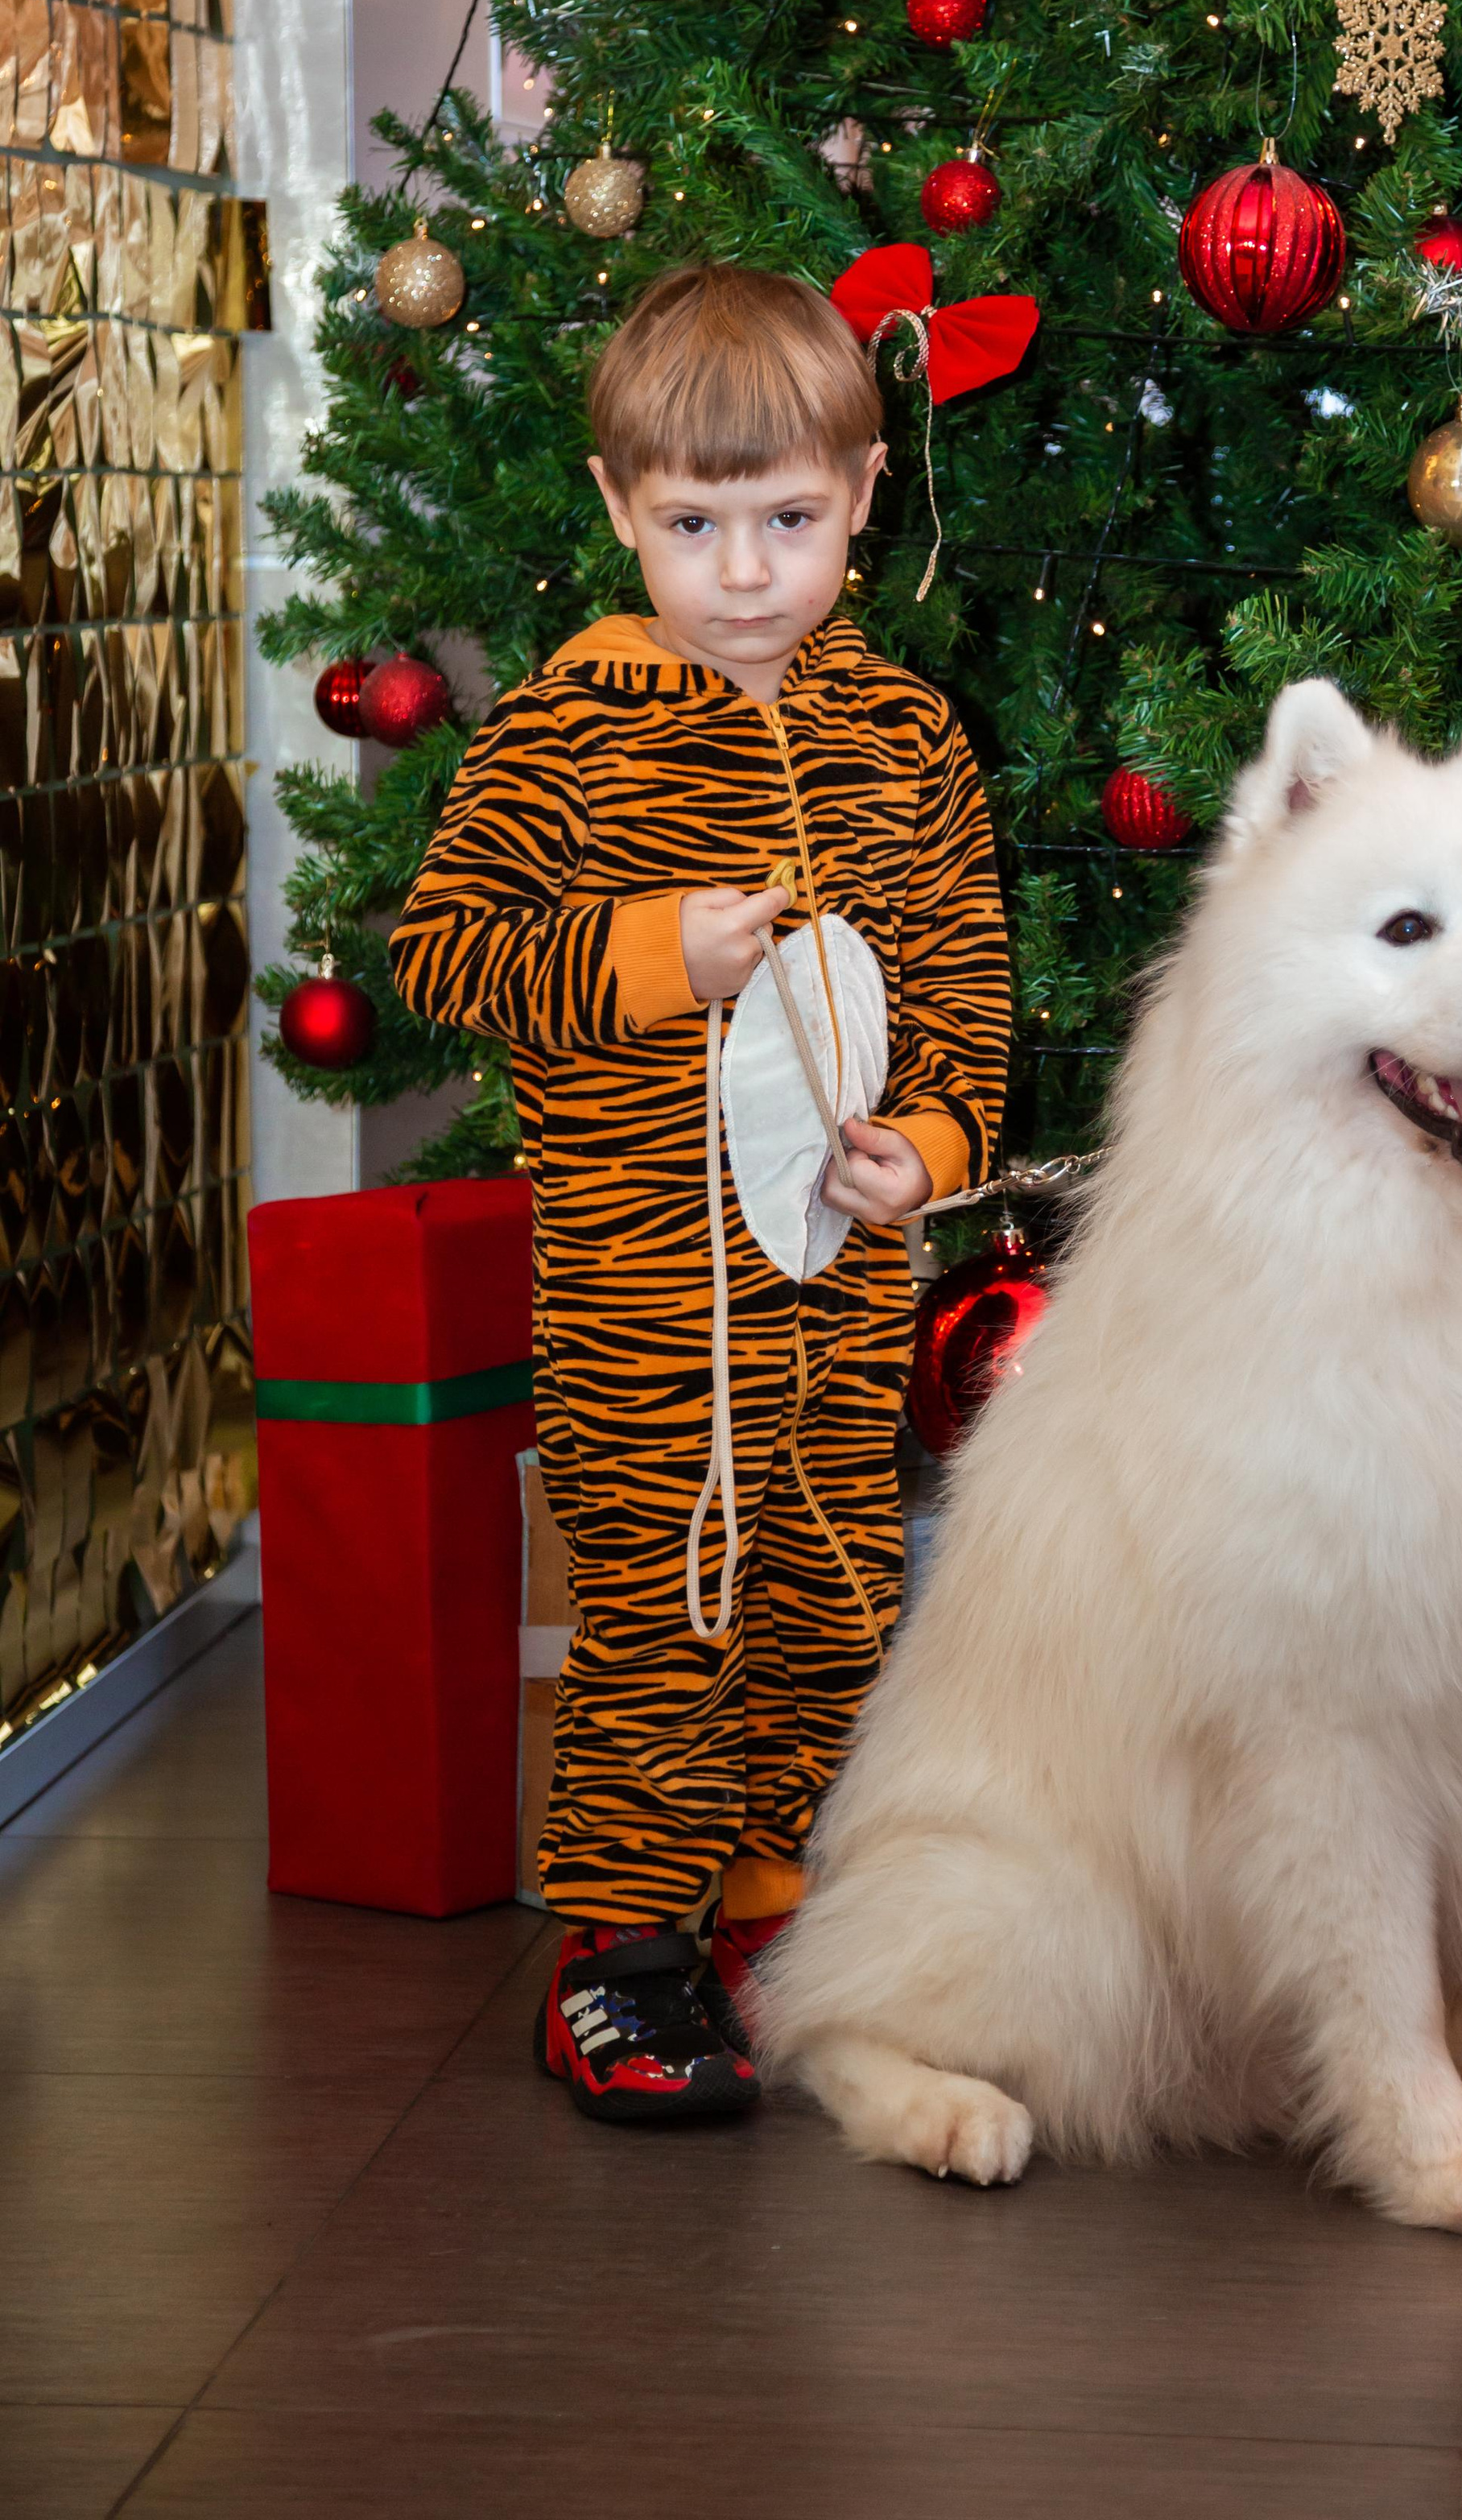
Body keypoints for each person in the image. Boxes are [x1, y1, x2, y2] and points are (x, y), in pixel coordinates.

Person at [390, 264, 1010, 2125]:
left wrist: (939, 1152)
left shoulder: (907, 741)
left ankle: (768, 1903)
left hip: (840, 1294)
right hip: (643, 1301)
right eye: (692, 526)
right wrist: (658, 952)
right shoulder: (566, 729)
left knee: (830, 1599)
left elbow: (966, 999)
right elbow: (447, 958)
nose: (744, 571)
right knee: (668, 1609)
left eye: (789, 522)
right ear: (616, 511)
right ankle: (619, 1948)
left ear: (863, 496)